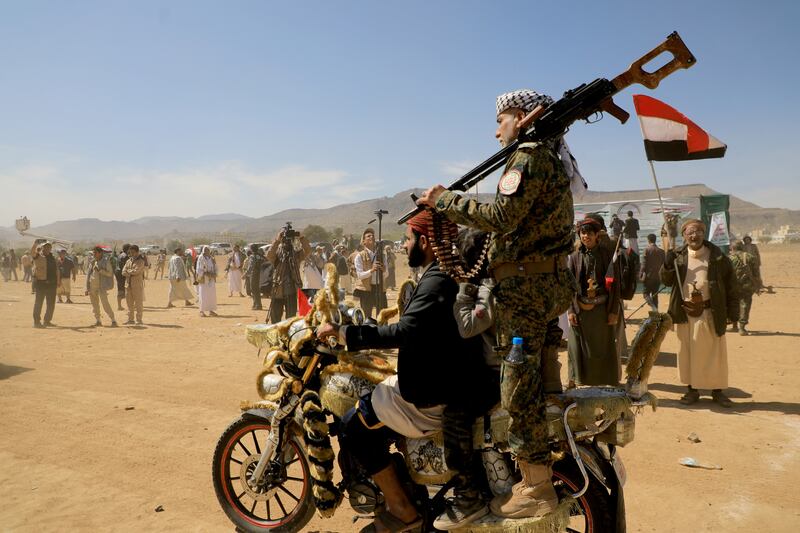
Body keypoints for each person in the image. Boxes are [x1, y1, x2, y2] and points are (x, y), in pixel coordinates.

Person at [418, 88, 577, 518]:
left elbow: (502, 217)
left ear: (523, 118)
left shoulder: (526, 156)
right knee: (539, 375)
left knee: (516, 387)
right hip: (545, 284)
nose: (496, 131)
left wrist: (443, 202)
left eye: (501, 120)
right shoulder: (549, 156)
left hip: (527, 290)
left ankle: (537, 487)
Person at [316, 211, 494, 531]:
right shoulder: (451, 272)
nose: (405, 244)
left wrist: (347, 334)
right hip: (456, 380)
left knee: (352, 426)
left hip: (432, 390)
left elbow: (406, 331)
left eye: (409, 238)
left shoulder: (438, 277)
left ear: (424, 241)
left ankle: (402, 511)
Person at [661, 219, 739, 408]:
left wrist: (733, 312)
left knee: (715, 353)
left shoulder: (717, 256)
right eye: (689, 233)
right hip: (685, 313)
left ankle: (717, 391)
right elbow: (667, 280)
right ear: (684, 236)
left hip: (711, 312)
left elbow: (731, 286)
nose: (694, 236)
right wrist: (667, 262)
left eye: (697, 232)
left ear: (703, 234)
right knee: (687, 353)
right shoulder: (678, 255)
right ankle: (691, 390)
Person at [566, 218, 623, 387]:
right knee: (577, 348)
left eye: (590, 233)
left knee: (602, 348)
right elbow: (569, 286)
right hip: (580, 311)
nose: (586, 237)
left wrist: (613, 311)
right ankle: (577, 380)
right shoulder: (575, 257)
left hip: (601, 311)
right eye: (583, 233)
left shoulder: (607, 255)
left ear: (597, 235)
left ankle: (604, 382)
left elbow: (615, 285)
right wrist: (571, 310)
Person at [266, 230, 310, 323]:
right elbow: (269, 255)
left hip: (291, 291)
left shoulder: (296, 254)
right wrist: (277, 240)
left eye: (289, 240)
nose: (287, 242)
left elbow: (308, 251)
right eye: (284, 239)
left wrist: (302, 237)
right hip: (278, 290)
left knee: (290, 320)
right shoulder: (277, 253)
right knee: (275, 319)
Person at [353, 228, 389, 318]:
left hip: (380, 288)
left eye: (372, 235)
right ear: (364, 242)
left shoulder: (382, 255)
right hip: (366, 290)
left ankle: (382, 332)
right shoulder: (359, 256)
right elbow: (360, 275)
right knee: (366, 316)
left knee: (382, 315)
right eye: (368, 236)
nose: (371, 236)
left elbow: (387, 274)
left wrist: (384, 270)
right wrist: (372, 270)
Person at [729, 241, 760, 336]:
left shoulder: (729, 258)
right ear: (742, 247)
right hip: (747, 285)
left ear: (732, 248)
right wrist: (758, 285)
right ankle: (742, 328)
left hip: (732, 286)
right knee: (745, 305)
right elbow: (756, 273)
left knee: (733, 304)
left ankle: (734, 325)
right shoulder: (750, 257)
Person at [85, 246, 117, 327]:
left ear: (100, 253)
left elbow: (110, 273)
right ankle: (98, 320)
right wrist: (87, 287)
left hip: (102, 286)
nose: (94, 254)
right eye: (93, 253)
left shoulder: (106, 261)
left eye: (95, 253)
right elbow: (88, 275)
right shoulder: (92, 262)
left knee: (105, 304)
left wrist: (100, 270)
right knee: (94, 304)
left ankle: (113, 320)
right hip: (92, 286)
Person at [31, 241, 60, 328]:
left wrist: (58, 281)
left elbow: (57, 270)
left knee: (51, 304)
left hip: (52, 284)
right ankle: (36, 322)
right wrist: (35, 243)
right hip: (41, 283)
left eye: (49, 247)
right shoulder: (38, 256)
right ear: (42, 248)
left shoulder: (53, 258)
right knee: (38, 303)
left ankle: (47, 321)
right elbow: (32, 252)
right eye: (45, 247)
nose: (47, 248)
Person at [640, 233, 666, 312]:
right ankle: (656, 311)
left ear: (648, 240)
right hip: (658, 277)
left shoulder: (647, 250)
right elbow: (664, 264)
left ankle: (653, 307)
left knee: (645, 294)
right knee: (655, 295)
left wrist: (641, 274)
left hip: (648, 276)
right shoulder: (661, 251)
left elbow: (643, 264)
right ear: (655, 239)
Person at [121, 244, 146, 325]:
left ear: (137, 252)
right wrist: (130, 272)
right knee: (129, 303)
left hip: (137, 285)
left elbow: (136, 271)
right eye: (130, 252)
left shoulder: (141, 261)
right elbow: (123, 272)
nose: (131, 253)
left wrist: (129, 271)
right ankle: (130, 319)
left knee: (138, 303)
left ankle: (139, 320)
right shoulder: (128, 261)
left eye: (133, 252)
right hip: (128, 285)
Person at [195, 245, 218, 317]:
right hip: (204, 279)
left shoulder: (211, 258)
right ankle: (201, 311)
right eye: (205, 250)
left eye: (208, 250)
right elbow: (199, 269)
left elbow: (215, 266)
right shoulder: (200, 258)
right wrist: (206, 273)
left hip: (211, 279)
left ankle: (211, 311)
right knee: (203, 295)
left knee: (211, 295)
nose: (206, 251)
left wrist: (214, 274)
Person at [115, 244, 130, 311]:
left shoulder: (119, 256)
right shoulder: (126, 257)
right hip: (123, 275)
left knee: (120, 290)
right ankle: (129, 305)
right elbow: (126, 267)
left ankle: (119, 306)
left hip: (118, 275)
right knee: (126, 290)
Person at [248, 244, 264, 311]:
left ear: (251, 249)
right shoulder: (260, 256)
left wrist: (246, 273)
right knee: (256, 289)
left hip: (254, 274)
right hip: (260, 274)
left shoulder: (252, 256)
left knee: (254, 289)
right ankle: (256, 304)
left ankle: (258, 305)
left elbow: (251, 266)